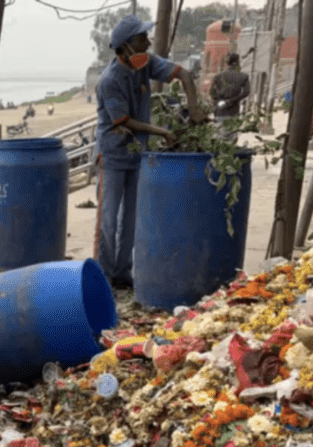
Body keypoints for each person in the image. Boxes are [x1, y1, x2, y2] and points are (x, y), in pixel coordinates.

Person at [94, 14, 206, 290]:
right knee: (107, 220)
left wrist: (194, 107)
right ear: (127, 45)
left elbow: (183, 74)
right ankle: (103, 275)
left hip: (137, 155)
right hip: (112, 156)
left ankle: (122, 273)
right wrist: (164, 132)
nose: (148, 41)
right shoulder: (109, 80)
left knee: (130, 218)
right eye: (143, 38)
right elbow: (124, 122)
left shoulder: (147, 63)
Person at [209, 53, 250, 139]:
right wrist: (233, 100)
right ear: (236, 63)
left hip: (220, 111)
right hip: (234, 111)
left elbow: (212, 92)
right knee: (231, 137)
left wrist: (219, 102)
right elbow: (246, 92)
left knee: (219, 136)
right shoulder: (243, 76)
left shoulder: (218, 76)